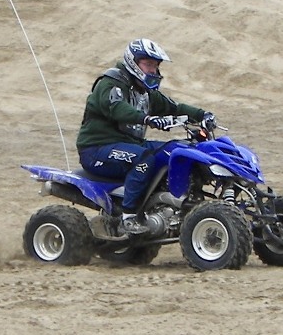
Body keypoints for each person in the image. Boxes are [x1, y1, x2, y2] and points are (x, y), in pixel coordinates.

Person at [76, 38, 216, 235]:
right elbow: (117, 109)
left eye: (155, 66)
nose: (152, 70)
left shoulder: (145, 91)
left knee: (175, 150)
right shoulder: (110, 83)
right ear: (134, 62)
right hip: (97, 148)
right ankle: (128, 217)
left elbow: (174, 107)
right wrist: (147, 119)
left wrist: (202, 115)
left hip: (130, 144)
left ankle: (167, 205)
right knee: (144, 159)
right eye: (148, 64)